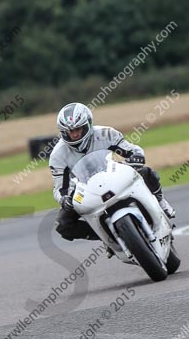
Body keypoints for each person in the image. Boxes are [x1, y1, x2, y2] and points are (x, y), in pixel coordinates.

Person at [49, 102, 175, 243]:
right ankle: (106, 236)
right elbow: (61, 187)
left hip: (113, 175)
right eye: (70, 131)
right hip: (84, 190)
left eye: (79, 129)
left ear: (87, 124)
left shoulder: (105, 133)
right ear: (63, 132)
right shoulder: (57, 155)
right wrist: (64, 198)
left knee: (147, 173)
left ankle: (161, 204)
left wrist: (136, 157)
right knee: (63, 225)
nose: (75, 134)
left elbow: (131, 150)